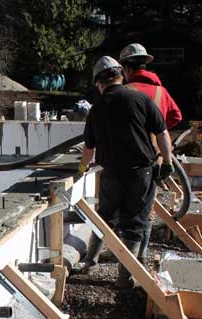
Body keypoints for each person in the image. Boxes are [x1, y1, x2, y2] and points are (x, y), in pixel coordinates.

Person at [77, 56, 174, 288]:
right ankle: (125, 278)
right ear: (121, 75)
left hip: (111, 173)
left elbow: (89, 148)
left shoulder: (97, 108)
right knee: (135, 223)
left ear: (99, 82)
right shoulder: (140, 99)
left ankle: (90, 262)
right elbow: (162, 133)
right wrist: (168, 161)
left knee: (105, 217)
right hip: (141, 173)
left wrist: (81, 169)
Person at [120, 43, 183, 263]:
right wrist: (158, 130)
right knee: (145, 209)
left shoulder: (124, 92)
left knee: (120, 208)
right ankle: (140, 255)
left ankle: (122, 254)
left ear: (127, 68)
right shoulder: (161, 91)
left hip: (123, 159)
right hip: (153, 158)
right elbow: (176, 116)